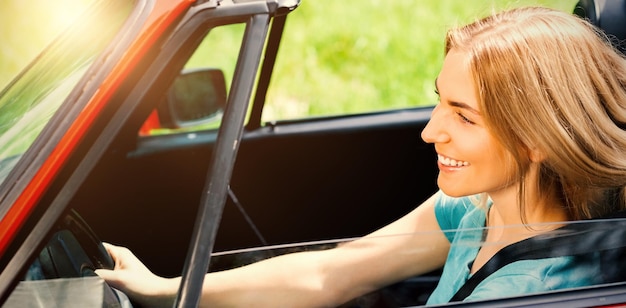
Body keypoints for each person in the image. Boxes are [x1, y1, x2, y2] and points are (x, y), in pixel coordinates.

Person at [95, 6, 626, 307]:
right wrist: (167, 292)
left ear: (539, 139)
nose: (429, 131)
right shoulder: (481, 209)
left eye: (464, 116)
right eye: (438, 98)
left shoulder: (529, 293)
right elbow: (333, 273)